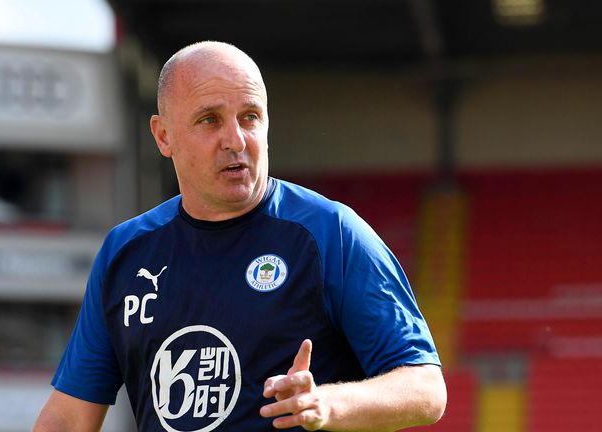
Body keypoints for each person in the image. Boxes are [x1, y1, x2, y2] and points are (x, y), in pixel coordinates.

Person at [34, 41, 446, 432]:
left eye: (250, 116)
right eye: (209, 120)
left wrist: (326, 404)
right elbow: (68, 418)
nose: (236, 140)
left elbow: (426, 389)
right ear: (163, 136)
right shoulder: (125, 253)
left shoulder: (330, 234)